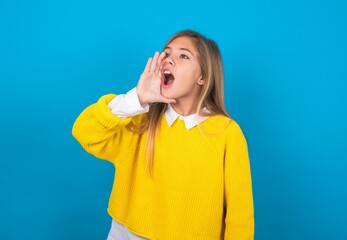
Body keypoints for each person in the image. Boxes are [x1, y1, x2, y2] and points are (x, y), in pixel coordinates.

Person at [72, 30, 254, 240]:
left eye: (183, 56)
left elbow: (240, 215)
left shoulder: (226, 133)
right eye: (167, 54)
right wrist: (138, 98)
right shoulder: (141, 120)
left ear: (202, 77)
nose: (169, 60)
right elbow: (84, 131)